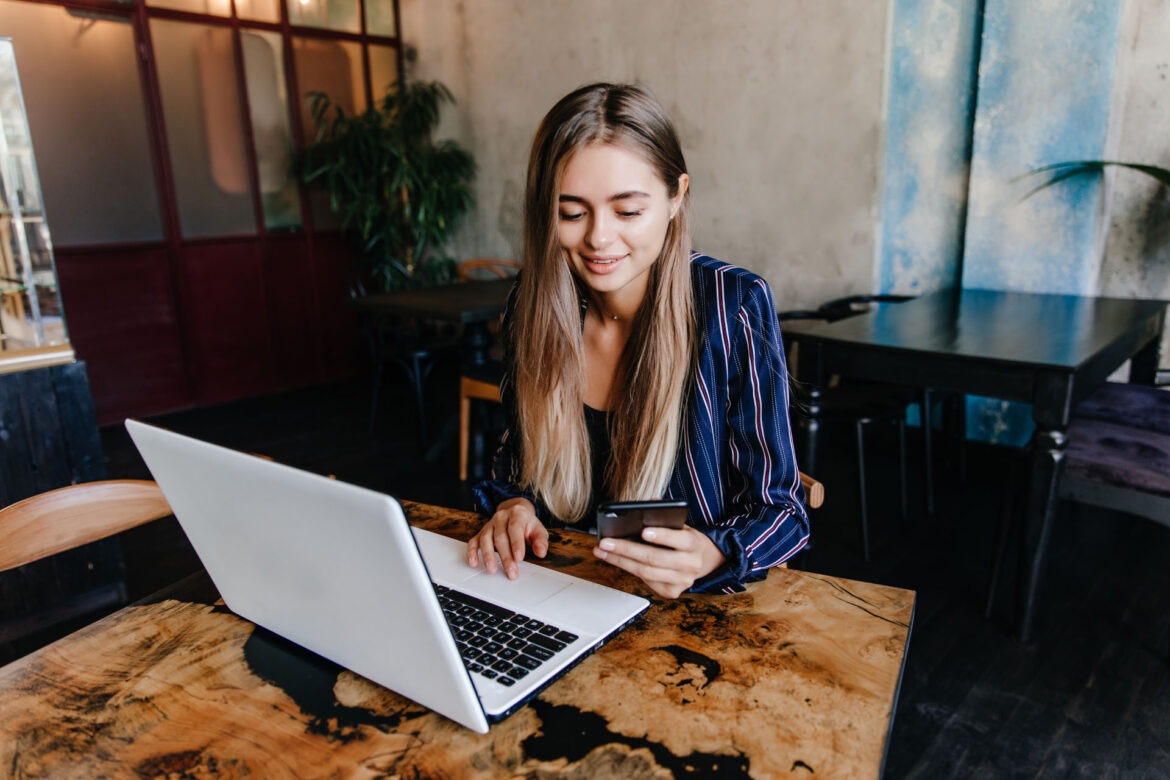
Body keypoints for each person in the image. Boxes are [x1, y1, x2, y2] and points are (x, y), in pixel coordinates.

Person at [469, 83, 809, 598]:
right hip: (555, 590)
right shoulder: (533, 302)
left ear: (676, 197)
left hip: (681, 615)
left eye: (627, 211)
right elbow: (516, 459)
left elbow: (782, 511)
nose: (599, 238)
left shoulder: (731, 305)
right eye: (571, 212)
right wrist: (514, 505)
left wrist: (716, 553)